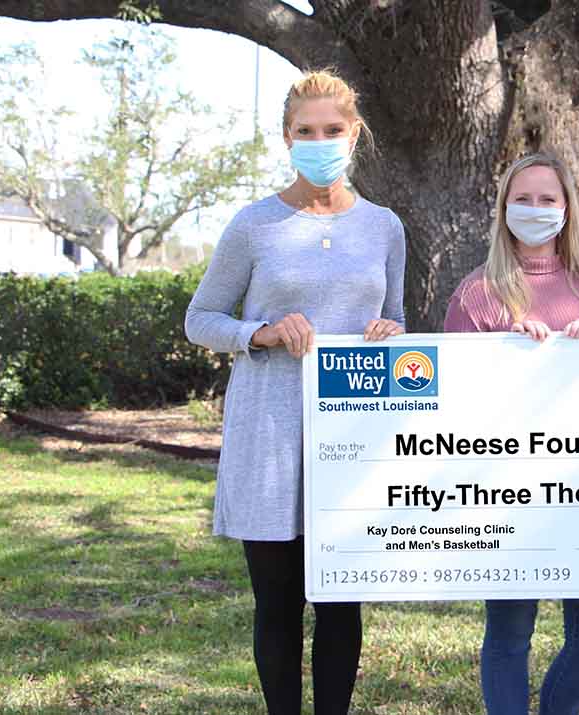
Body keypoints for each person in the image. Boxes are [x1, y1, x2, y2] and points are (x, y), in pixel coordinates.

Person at [185, 70, 406, 715]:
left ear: (354, 133)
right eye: (305, 132)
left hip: (352, 442)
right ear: (287, 138)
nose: (320, 142)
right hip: (270, 441)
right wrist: (261, 332)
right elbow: (201, 319)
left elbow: (396, 319)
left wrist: (392, 334)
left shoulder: (385, 227)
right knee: (277, 606)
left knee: (341, 602)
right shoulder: (254, 226)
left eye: (332, 130)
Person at [443, 153, 579, 714]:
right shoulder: (477, 295)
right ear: (503, 209)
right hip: (506, 490)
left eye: (548, 199)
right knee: (509, 634)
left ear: (569, 209)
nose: (535, 209)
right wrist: (506, 352)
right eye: (522, 198)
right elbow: (451, 399)